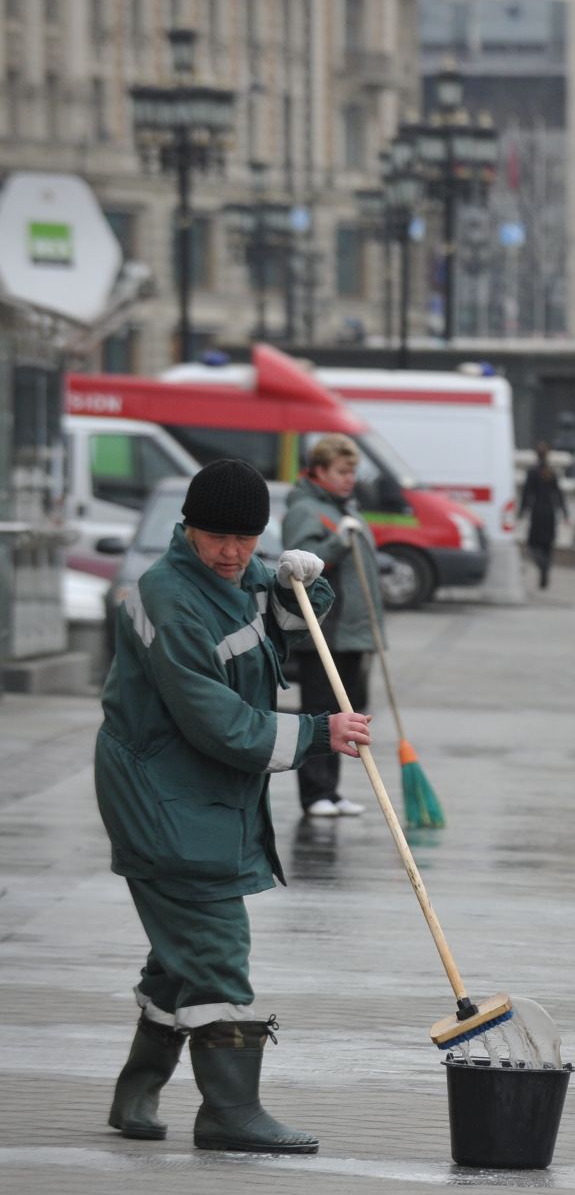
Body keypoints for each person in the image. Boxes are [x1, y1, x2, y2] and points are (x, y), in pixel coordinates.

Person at [95, 459, 372, 1154]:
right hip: (162, 796)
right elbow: (214, 719)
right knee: (216, 945)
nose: (232, 552)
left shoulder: (237, 573)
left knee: (179, 950)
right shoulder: (164, 597)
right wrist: (315, 732)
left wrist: (302, 584)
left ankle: (137, 1088)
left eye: (247, 539)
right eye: (217, 536)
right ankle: (230, 1109)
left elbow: (283, 626)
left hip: (204, 792)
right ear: (186, 527)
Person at [281, 435, 385, 818]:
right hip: (327, 634)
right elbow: (299, 565)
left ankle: (331, 790)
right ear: (319, 471)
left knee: (346, 713)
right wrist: (338, 542)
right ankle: (314, 793)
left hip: (352, 634)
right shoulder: (307, 510)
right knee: (321, 712)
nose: (349, 479)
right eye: (342, 471)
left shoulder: (346, 508)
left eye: (353, 471)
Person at [520, 442, 569, 589]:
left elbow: (526, 495)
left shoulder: (532, 472)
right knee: (548, 546)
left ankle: (542, 567)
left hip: (537, 513)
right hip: (550, 513)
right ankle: (545, 572)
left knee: (533, 545)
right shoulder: (552, 472)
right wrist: (565, 513)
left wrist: (521, 512)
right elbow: (559, 494)